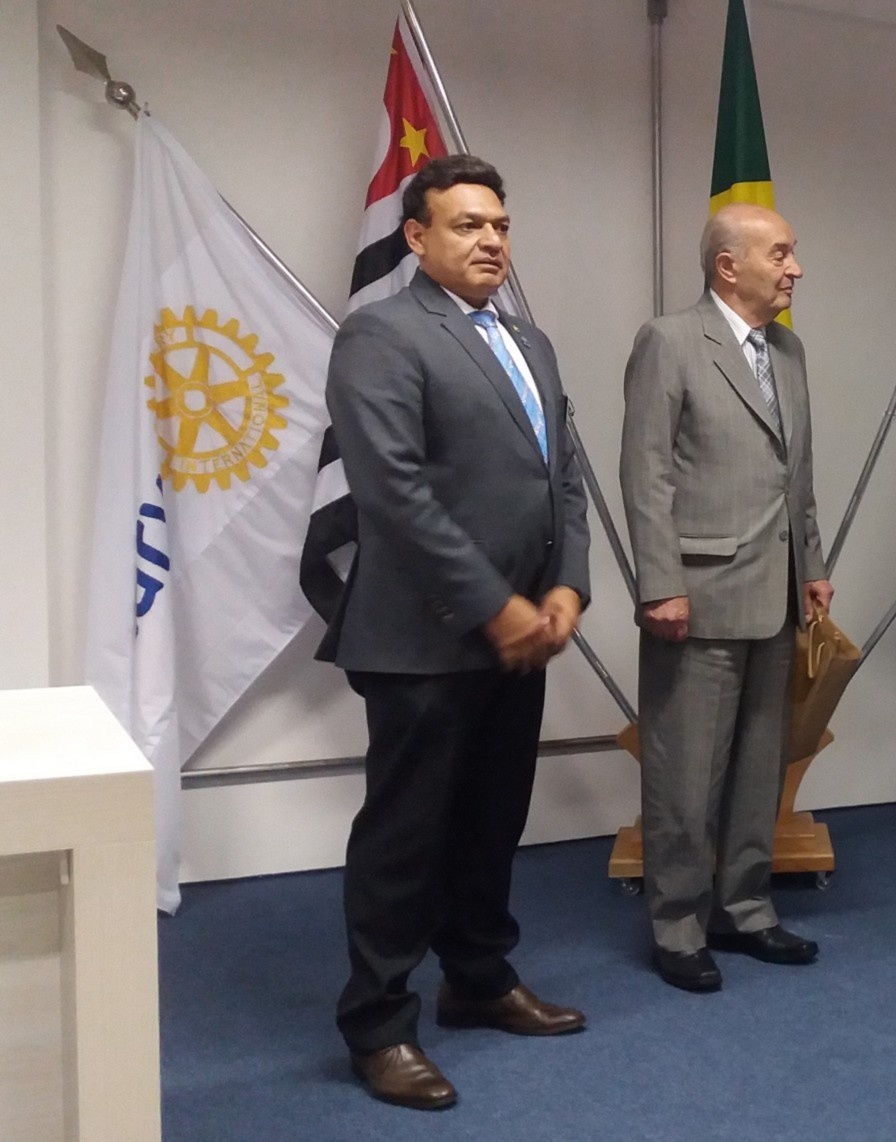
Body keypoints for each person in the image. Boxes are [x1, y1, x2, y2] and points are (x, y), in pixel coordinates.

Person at [318, 154, 591, 1110]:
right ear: (417, 236)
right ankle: (379, 1026)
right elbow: (392, 492)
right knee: (407, 837)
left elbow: (564, 475)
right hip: (425, 636)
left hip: (520, 633)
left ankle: (477, 980)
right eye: (468, 225)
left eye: (500, 226)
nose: (490, 241)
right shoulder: (380, 335)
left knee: (489, 821)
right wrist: (496, 604)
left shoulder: (531, 341)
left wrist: (569, 585)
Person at [620, 203, 832, 992]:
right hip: (697, 597)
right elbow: (645, 473)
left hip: (776, 593)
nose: (795, 268)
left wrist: (812, 563)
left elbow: (795, 475)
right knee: (685, 772)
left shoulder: (789, 350)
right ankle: (678, 924)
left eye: (792, 252)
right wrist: (659, 585)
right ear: (727, 265)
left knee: (757, 767)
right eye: (780, 253)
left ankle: (744, 909)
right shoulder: (669, 341)